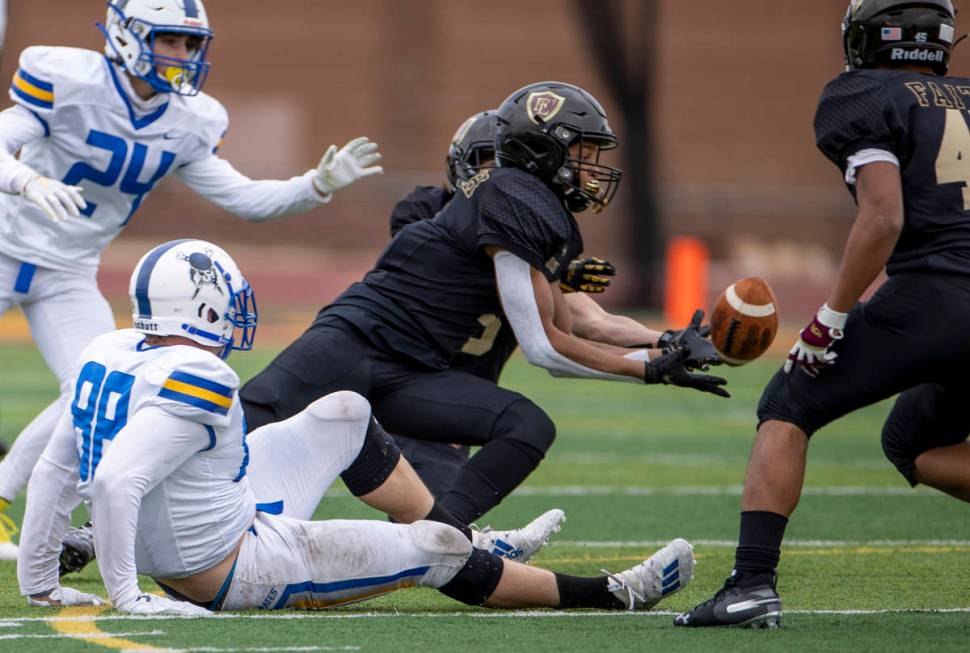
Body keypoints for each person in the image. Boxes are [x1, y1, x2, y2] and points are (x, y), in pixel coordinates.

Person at [16, 239, 695, 616]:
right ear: (199, 307)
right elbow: (112, 476)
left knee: (344, 408)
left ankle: (474, 535)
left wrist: (40, 579)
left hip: (226, 510)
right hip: (236, 564)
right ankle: (612, 592)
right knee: (432, 549)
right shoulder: (203, 375)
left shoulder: (107, 350)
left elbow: (55, 469)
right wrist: (129, 597)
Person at [239, 81, 728, 532]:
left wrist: (661, 343)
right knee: (244, 422)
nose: (591, 165)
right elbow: (547, 348)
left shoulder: (526, 217)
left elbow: (578, 320)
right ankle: (191, 525)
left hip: (418, 374)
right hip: (353, 345)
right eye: (581, 151)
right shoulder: (505, 198)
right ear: (543, 150)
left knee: (526, 426)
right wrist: (648, 370)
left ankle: (444, 538)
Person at [0, 0, 383, 560]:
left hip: (69, 269)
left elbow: (244, 199)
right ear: (128, 36)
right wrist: (28, 182)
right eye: (169, 40)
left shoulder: (191, 118)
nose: (182, 55)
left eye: (189, 44)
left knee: (86, 385)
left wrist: (314, 185)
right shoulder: (67, 77)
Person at [675, 0, 970, 629]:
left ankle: (751, 584)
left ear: (869, 34)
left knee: (788, 406)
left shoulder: (862, 93)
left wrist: (828, 318)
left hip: (935, 294)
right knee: (915, 441)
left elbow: (884, 214)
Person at [391, 110, 686, 508]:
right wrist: (549, 274)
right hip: (409, 383)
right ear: (465, 166)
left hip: (459, 398)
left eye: (506, 161)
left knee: (442, 519)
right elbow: (461, 272)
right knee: (435, 520)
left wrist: (670, 340)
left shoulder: (528, 239)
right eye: (490, 160)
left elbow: (592, 322)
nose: (501, 173)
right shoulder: (428, 217)